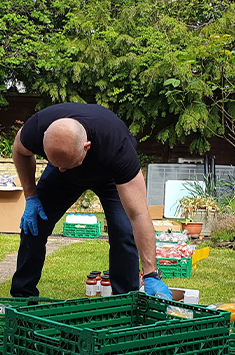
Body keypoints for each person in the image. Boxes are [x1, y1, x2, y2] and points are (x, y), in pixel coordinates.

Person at [10, 102, 172, 299]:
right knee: (34, 224)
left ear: (87, 147)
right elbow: (19, 150)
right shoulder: (37, 128)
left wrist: (151, 274)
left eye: (65, 164)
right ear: (44, 138)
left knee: (123, 231)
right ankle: (22, 296)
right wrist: (31, 196)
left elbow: (138, 215)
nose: (61, 168)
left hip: (110, 176)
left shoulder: (117, 147)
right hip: (65, 173)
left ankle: (126, 300)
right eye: (55, 163)